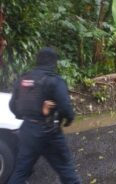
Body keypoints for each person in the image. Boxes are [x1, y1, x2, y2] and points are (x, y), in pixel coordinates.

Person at [8, 47, 81, 184]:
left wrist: (24, 117)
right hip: (49, 132)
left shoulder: (24, 78)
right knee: (66, 169)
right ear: (54, 62)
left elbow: (12, 105)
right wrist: (68, 120)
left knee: (21, 170)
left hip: (27, 130)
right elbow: (65, 107)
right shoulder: (54, 81)